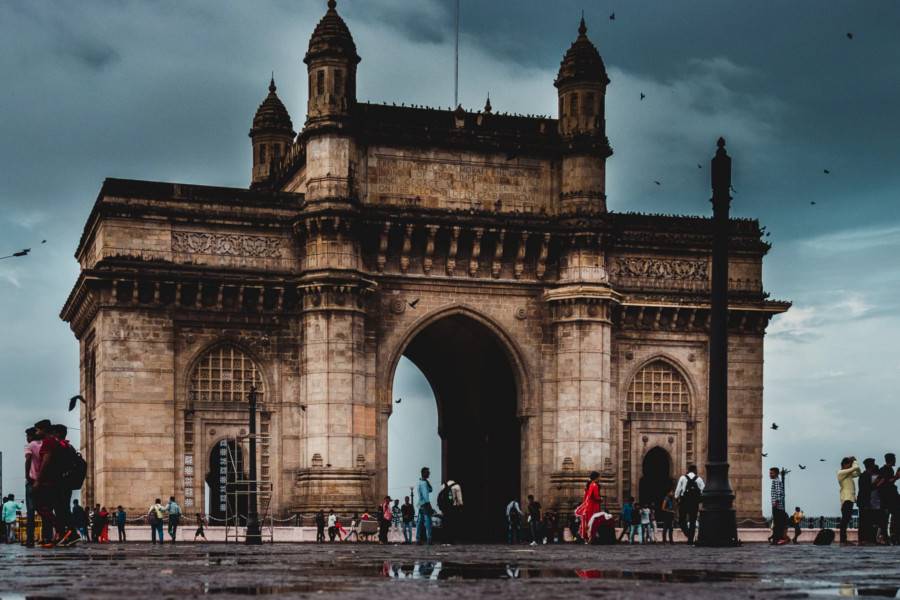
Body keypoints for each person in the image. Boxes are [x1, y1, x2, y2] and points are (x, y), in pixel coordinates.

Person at [675, 465, 704, 544]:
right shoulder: (699, 479)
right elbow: (703, 491)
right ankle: (690, 539)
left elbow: (678, 490)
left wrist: (676, 498)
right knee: (692, 521)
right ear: (695, 470)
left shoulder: (683, 478)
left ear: (688, 470)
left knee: (681, 520)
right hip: (694, 503)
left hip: (684, 501)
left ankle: (687, 533)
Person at [23, 427, 42, 547]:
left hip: (31, 481)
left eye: (27, 436)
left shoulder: (29, 446)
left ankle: (30, 539)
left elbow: (28, 459)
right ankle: (47, 537)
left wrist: (27, 475)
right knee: (45, 510)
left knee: (30, 512)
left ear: (30, 436)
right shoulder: (44, 445)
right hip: (43, 482)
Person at [837, 456, 861, 544]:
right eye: (849, 464)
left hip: (850, 498)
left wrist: (854, 462)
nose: (850, 466)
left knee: (846, 519)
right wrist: (854, 461)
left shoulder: (848, 474)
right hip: (846, 499)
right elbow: (856, 468)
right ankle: (843, 540)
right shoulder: (841, 472)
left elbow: (858, 472)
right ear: (844, 464)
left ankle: (844, 540)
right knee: (845, 520)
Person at [574, 471, 602, 544]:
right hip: (594, 506)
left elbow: (587, 497)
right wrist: (601, 499)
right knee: (593, 522)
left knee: (588, 521)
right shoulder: (595, 485)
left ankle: (585, 538)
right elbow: (596, 497)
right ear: (596, 477)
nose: (600, 478)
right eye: (599, 477)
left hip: (588, 505)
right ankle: (591, 538)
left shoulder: (589, 485)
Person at [878, 453, 899, 544]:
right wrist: (896, 477)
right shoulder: (885, 470)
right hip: (887, 498)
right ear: (892, 460)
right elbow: (887, 482)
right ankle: (888, 536)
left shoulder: (888, 469)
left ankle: (890, 536)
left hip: (889, 498)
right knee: (887, 518)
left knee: (888, 518)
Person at [770, 467, 788, 545]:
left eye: (771, 473)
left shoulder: (776, 481)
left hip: (777, 505)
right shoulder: (777, 481)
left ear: (776, 473)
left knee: (777, 523)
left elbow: (779, 493)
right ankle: (776, 539)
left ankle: (777, 540)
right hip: (778, 505)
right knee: (778, 523)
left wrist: (776, 503)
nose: (770, 474)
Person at [416, 467, 434, 545]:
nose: (429, 473)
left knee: (419, 522)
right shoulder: (424, 483)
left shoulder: (420, 482)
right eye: (428, 472)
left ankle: (418, 539)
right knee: (428, 523)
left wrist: (427, 482)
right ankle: (429, 539)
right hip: (425, 504)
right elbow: (427, 495)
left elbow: (430, 490)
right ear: (424, 473)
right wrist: (429, 506)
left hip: (420, 504)